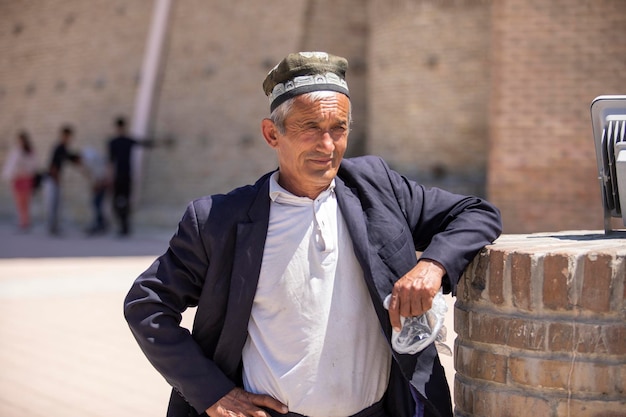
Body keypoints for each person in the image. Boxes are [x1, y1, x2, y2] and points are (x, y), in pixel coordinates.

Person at [124, 52, 502, 417]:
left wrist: (431, 266)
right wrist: (213, 392)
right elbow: (148, 304)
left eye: (339, 128)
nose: (328, 146)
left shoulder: (377, 189)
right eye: (311, 128)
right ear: (272, 134)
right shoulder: (219, 221)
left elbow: (476, 213)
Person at [108, 116, 151, 236]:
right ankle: (122, 225)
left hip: (124, 176)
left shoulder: (125, 141)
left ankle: (125, 226)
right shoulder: (115, 142)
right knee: (118, 202)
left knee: (124, 202)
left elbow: (143, 143)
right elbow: (111, 161)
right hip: (121, 176)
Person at [46, 125, 81, 235]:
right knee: (53, 204)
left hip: (56, 179)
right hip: (53, 180)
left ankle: (54, 226)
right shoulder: (59, 148)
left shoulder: (64, 149)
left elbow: (71, 159)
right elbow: (52, 166)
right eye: (68, 136)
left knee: (57, 204)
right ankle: (52, 227)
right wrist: (56, 179)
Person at [2, 131, 39, 230]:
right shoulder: (16, 151)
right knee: (19, 202)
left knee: (26, 202)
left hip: (26, 179)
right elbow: (11, 165)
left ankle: (26, 222)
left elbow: (33, 166)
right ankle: (23, 222)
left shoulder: (30, 151)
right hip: (18, 179)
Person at [80, 146, 109, 235]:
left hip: (102, 183)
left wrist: (98, 184)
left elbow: (96, 172)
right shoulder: (90, 157)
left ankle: (100, 224)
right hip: (100, 183)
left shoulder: (88, 159)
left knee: (97, 203)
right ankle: (101, 223)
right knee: (97, 203)